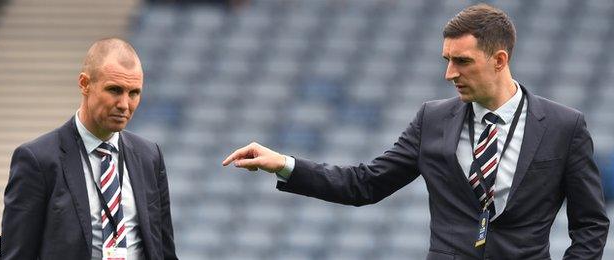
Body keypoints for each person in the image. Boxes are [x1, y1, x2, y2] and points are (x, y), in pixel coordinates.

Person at [223, 4, 609, 259]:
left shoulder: (564, 125)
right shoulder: (432, 119)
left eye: (462, 61)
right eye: (447, 60)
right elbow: (365, 184)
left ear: (499, 60)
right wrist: (285, 164)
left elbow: (590, 223)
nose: (449, 74)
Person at [1, 38, 178, 260]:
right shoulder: (37, 160)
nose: (124, 104)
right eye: (115, 90)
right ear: (84, 84)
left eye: (134, 93)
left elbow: (165, 250)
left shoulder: (150, 157)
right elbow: (12, 252)